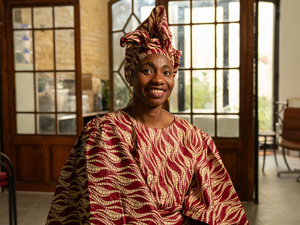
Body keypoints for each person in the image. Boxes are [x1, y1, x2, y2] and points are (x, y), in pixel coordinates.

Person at [46, 6, 249, 225]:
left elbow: (217, 207)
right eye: (147, 70)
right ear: (130, 76)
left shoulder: (193, 138)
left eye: (167, 72)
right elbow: (101, 209)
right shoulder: (103, 133)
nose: (159, 80)